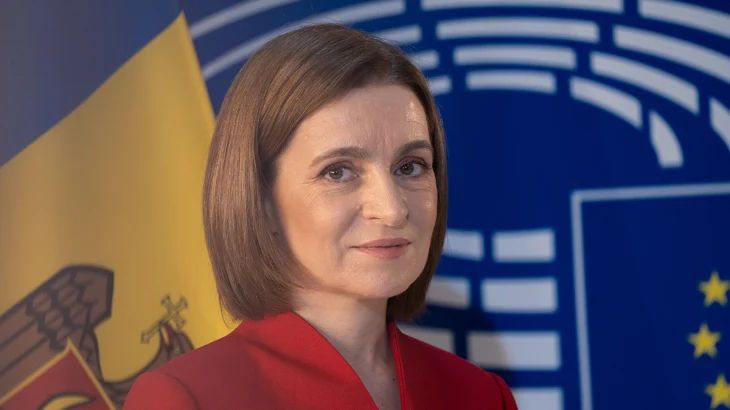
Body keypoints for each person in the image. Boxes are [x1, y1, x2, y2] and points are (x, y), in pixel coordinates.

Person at [123, 23, 518, 410]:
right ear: (261, 201)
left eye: (410, 167)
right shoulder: (184, 399)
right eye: (337, 172)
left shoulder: (481, 395)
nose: (392, 209)